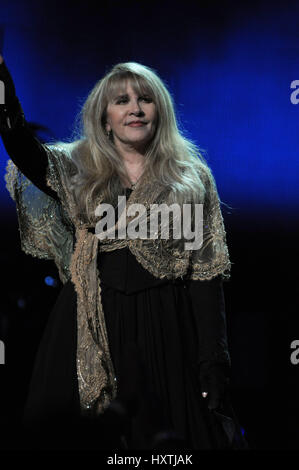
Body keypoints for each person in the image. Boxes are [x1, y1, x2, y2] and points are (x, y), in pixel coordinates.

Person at [0, 54, 247, 450]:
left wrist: (213, 362)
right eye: (122, 101)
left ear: (159, 110)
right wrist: (3, 90)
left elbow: (206, 273)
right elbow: (24, 149)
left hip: (166, 330)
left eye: (145, 99)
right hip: (88, 323)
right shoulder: (77, 166)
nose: (135, 108)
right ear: (105, 116)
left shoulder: (191, 178)